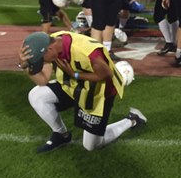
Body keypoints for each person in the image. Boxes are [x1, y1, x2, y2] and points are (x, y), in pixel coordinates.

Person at [18, 31, 147, 153]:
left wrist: (74, 74)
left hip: (98, 92)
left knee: (91, 145)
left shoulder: (86, 51)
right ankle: (62, 135)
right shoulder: (51, 43)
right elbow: (42, 80)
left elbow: (106, 75)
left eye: (42, 59)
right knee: (37, 96)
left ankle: (133, 119)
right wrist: (24, 65)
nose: (44, 62)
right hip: (73, 86)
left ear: (49, 49)